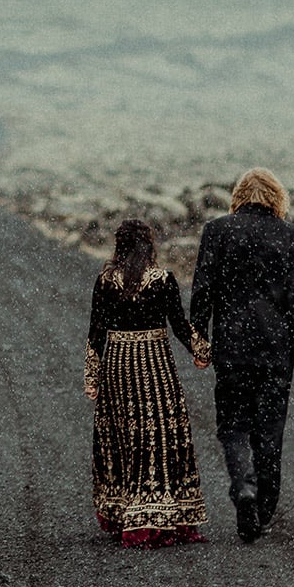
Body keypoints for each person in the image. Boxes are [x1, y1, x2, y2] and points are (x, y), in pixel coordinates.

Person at [190, 167, 294, 543]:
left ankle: (243, 487)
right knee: (270, 430)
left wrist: (200, 337)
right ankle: (264, 508)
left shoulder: (218, 230)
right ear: (277, 198)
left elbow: (203, 289)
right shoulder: (291, 236)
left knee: (233, 425)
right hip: (274, 350)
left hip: (232, 346)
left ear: (238, 197)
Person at [82, 219, 210, 548]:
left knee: (123, 434)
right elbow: (180, 325)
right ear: (149, 245)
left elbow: (96, 332)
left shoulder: (106, 280)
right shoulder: (163, 279)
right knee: (160, 435)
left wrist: (92, 377)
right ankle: (164, 514)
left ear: (119, 246)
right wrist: (202, 351)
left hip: (118, 365)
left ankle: (128, 510)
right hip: (154, 365)